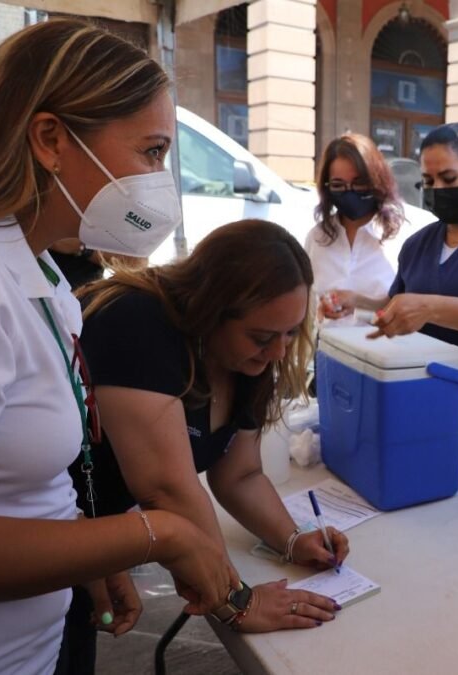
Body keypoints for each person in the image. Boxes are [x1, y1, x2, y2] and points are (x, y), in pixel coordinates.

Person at [0, 20, 236, 674]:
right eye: (152, 150)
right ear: (50, 138)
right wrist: (155, 532)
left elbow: (20, 480)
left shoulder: (41, 271)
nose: (160, 179)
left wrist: (87, 552)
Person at [62, 219, 350, 666]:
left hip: (87, 537)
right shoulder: (137, 321)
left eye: (291, 333)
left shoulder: (249, 359)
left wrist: (293, 540)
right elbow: (166, 488)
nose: (277, 352)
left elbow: (240, 474)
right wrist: (236, 601)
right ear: (209, 308)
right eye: (261, 337)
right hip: (33, 529)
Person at [324, 122, 458, 498]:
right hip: (432, 412)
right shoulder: (420, 243)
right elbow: (402, 302)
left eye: (448, 178)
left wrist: (428, 308)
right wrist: (358, 301)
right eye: (428, 182)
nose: (439, 191)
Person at [305, 133, 405, 327]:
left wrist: (358, 303)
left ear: (377, 180)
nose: (349, 191)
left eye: (359, 183)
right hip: (327, 350)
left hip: (381, 353)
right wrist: (321, 310)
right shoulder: (317, 238)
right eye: (338, 185)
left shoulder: (401, 238)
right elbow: (306, 309)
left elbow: (409, 310)